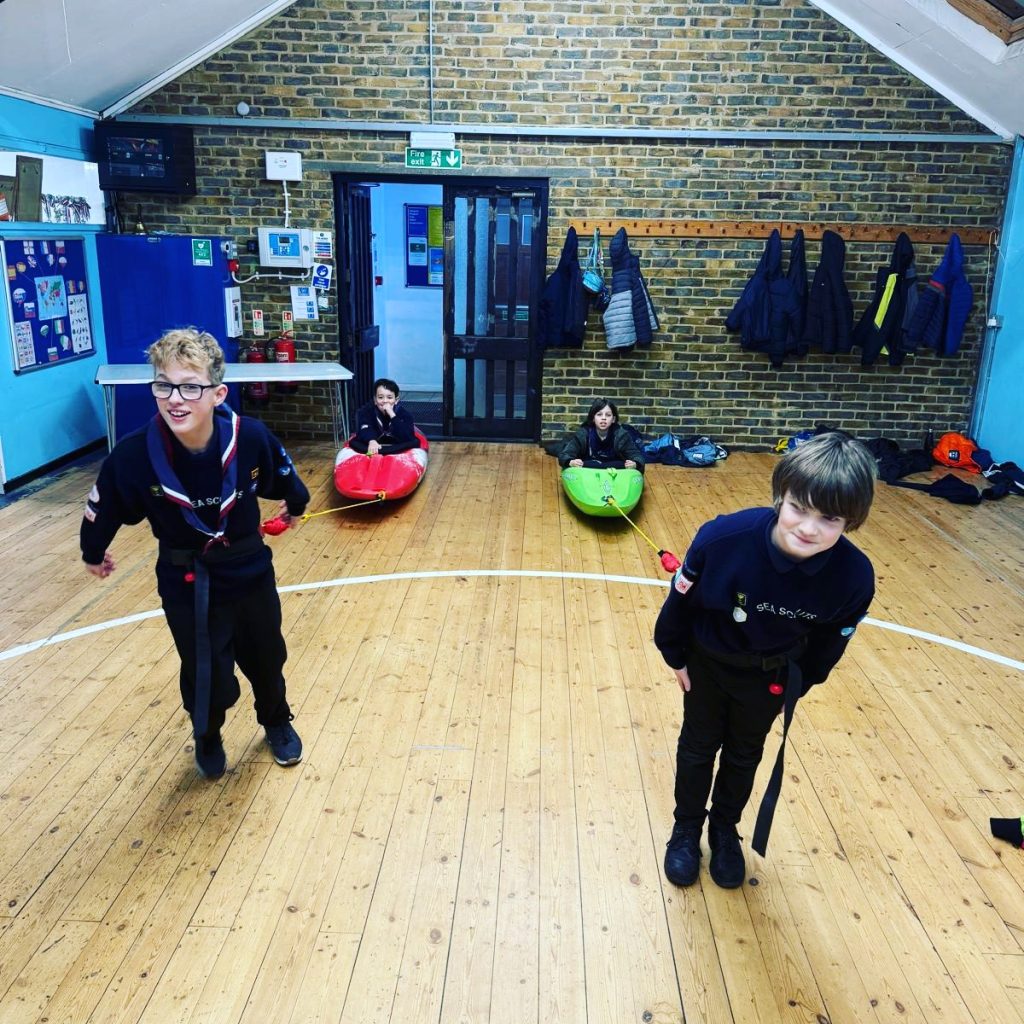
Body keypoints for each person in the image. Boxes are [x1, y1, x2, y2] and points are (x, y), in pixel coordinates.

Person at [80, 328, 309, 779]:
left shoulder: (249, 437)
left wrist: (295, 504)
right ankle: (207, 734)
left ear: (218, 393)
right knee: (206, 672)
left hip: (248, 569)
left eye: (190, 387)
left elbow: (284, 475)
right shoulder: (133, 455)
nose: (175, 399)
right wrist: (94, 551)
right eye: (163, 385)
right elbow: (103, 507)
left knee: (267, 656)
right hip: (186, 579)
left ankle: (276, 720)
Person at [655, 431, 875, 889]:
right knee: (697, 747)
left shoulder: (854, 578)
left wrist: (797, 686)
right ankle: (686, 828)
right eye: (799, 508)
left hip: (770, 678)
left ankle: (724, 829)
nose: (808, 528)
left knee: (744, 754)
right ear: (781, 496)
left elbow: (830, 644)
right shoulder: (722, 538)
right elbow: (680, 600)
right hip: (708, 665)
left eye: (829, 518)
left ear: (850, 521)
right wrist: (674, 653)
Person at [557, 398, 645, 471]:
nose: (603, 418)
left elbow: (637, 456)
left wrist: (635, 464)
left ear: (613, 419)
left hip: (615, 473)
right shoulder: (583, 434)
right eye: (599, 414)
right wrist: (571, 462)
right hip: (587, 472)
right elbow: (564, 455)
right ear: (593, 418)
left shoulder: (622, 435)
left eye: (608, 415)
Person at [350, 377, 419, 455]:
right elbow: (365, 428)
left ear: (396, 400)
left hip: (397, 445)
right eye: (380, 397)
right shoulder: (366, 412)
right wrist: (371, 440)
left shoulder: (405, 414)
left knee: (414, 442)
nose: (385, 401)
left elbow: (407, 436)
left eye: (389, 397)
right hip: (375, 444)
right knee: (354, 442)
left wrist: (392, 414)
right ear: (375, 400)